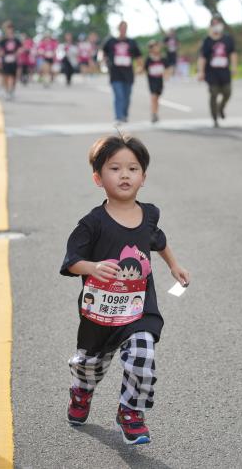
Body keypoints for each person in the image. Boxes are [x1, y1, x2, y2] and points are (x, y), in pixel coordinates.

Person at [60, 134, 190, 445]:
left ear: (143, 177)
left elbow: (159, 241)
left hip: (139, 308)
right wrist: (92, 267)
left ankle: (131, 411)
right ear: (98, 178)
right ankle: (82, 391)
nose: (124, 175)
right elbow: (72, 260)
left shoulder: (148, 216)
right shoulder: (92, 223)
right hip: (101, 312)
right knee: (91, 365)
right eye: (115, 168)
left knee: (143, 352)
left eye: (133, 169)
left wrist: (174, 265)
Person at [198, 16, 238, 128]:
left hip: (224, 71)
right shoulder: (207, 40)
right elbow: (202, 57)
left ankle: (221, 108)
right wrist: (201, 71)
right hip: (211, 73)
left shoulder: (227, 39)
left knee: (227, 92)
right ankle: (215, 118)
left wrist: (234, 67)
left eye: (218, 23)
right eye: (214, 24)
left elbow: (233, 53)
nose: (217, 26)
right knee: (213, 94)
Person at [103, 21, 143, 124]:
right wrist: (103, 63)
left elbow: (138, 56)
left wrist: (140, 67)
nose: (123, 29)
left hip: (128, 74)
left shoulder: (131, 42)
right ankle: (118, 117)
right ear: (118, 29)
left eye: (125, 27)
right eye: (121, 27)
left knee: (126, 96)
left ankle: (124, 115)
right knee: (119, 95)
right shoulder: (111, 41)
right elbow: (102, 52)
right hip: (115, 73)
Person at [144, 39, 168, 123]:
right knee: (153, 97)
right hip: (152, 80)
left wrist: (166, 74)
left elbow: (167, 68)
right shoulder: (149, 59)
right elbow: (145, 68)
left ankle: (156, 112)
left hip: (159, 80)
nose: (156, 48)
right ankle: (153, 114)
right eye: (153, 47)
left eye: (157, 46)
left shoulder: (162, 58)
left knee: (157, 98)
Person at [0, 21, 22, 100]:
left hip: (14, 60)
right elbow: (0, 50)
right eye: (7, 28)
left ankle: (12, 91)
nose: (9, 30)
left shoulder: (16, 40)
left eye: (10, 28)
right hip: (5, 60)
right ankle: (7, 91)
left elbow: (21, 48)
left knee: (13, 77)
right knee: (6, 76)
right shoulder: (3, 40)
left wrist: (17, 53)